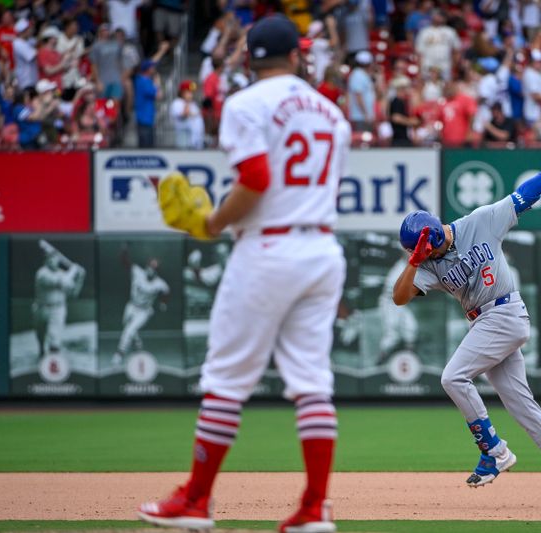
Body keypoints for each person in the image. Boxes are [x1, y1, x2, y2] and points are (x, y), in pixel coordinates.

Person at [138, 14, 350, 533]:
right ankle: (314, 507)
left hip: (269, 249)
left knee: (227, 378)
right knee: (311, 381)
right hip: (322, 248)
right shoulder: (331, 114)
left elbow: (255, 178)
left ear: (249, 59)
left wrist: (211, 222)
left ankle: (195, 501)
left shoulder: (245, 103)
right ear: (297, 56)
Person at [391, 138, 541, 508]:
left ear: (433, 236)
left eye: (422, 249)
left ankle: (494, 452)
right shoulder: (428, 265)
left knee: (452, 377)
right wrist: (415, 262)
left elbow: (524, 195)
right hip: (484, 323)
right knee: (520, 404)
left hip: (504, 313)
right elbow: (399, 297)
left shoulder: (480, 221)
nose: (422, 255)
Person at [113, 251, 169, 366]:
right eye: (150, 266)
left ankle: (119, 354)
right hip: (131, 306)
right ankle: (138, 344)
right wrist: (124, 250)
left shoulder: (159, 283)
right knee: (128, 328)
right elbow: (125, 262)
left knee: (128, 331)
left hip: (144, 311)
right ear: (146, 266)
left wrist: (163, 303)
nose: (151, 270)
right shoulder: (137, 272)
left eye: (154, 268)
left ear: (157, 271)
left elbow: (166, 292)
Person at [33, 240, 86, 359]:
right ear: (45, 260)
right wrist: (73, 270)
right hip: (41, 308)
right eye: (50, 258)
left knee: (54, 339)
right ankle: (41, 350)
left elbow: (74, 293)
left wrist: (80, 278)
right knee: (40, 335)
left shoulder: (62, 273)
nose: (53, 260)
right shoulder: (42, 274)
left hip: (58, 309)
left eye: (55, 258)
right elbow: (64, 282)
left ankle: (52, 361)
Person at [133, 59, 161, 147]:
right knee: (146, 147)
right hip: (144, 118)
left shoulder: (144, 80)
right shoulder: (143, 81)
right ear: (147, 69)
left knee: (149, 144)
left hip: (147, 118)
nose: (154, 69)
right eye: (152, 67)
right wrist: (157, 83)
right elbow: (158, 95)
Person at [170, 79, 205, 149]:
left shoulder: (193, 104)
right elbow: (183, 115)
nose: (191, 94)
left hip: (196, 140)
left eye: (192, 92)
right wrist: (187, 102)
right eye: (189, 91)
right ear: (182, 92)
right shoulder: (177, 103)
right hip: (185, 138)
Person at [347, 50, 376, 132]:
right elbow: (358, 96)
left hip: (364, 116)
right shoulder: (357, 75)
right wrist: (365, 114)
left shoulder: (363, 74)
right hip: (360, 116)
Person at [388, 76, 418, 146]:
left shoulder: (402, 102)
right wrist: (410, 121)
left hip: (403, 138)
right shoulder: (397, 101)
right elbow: (395, 118)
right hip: (399, 139)